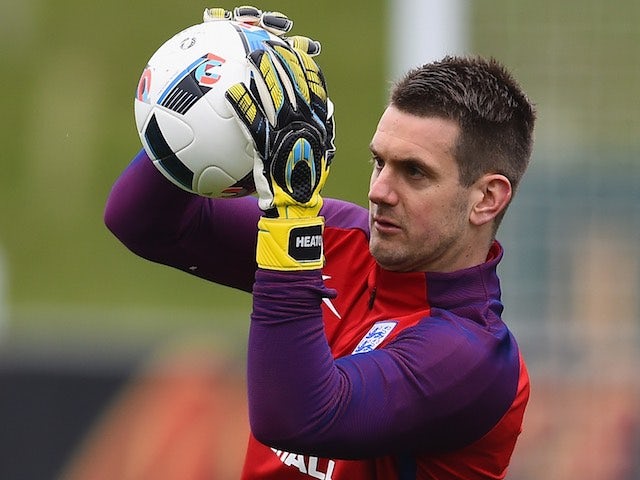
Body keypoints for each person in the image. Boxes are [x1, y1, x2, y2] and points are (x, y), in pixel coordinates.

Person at [105, 6, 536, 479]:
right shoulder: (343, 237)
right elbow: (142, 221)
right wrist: (213, 91)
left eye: (414, 172)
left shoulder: (471, 356)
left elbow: (296, 417)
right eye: (379, 162)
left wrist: (288, 221)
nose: (379, 191)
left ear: (487, 198)